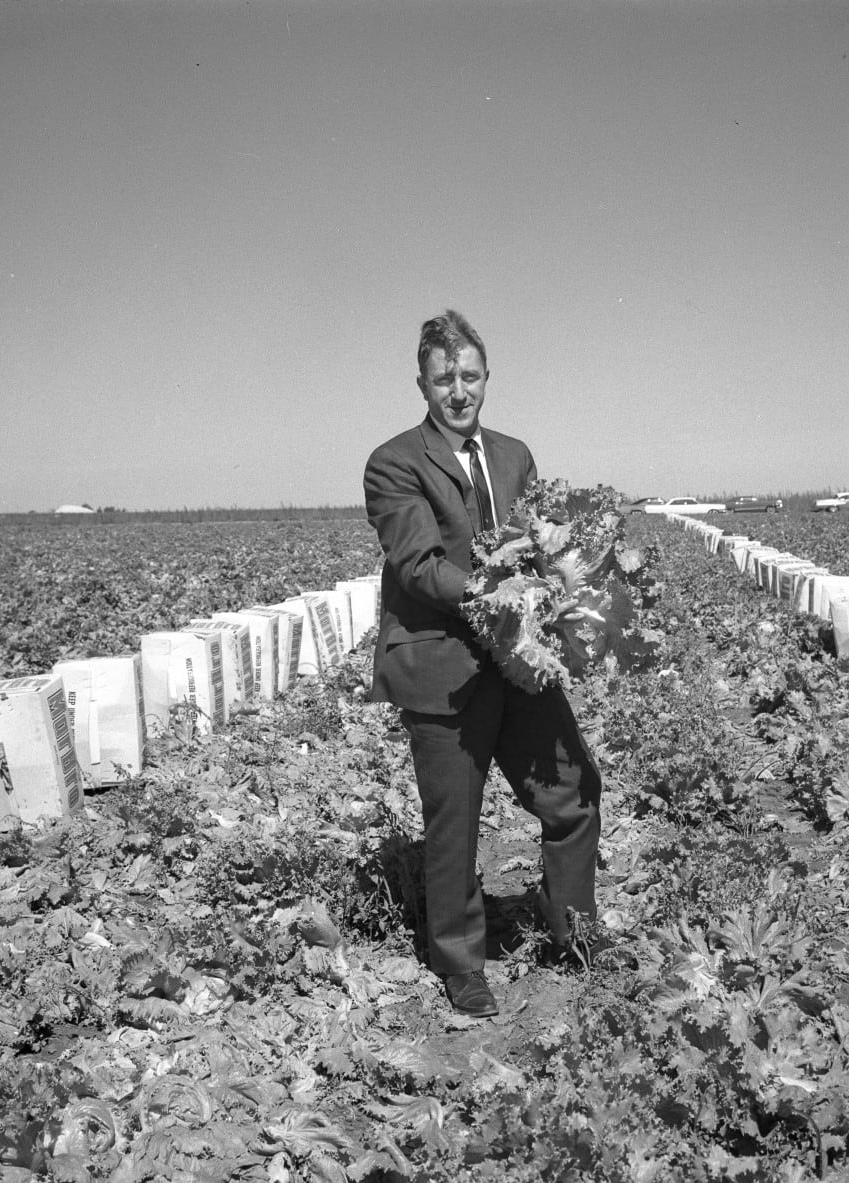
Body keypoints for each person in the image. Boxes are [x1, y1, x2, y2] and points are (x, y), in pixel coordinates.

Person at [362, 309, 602, 1018]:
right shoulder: (394, 462)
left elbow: (541, 539)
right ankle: (461, 963)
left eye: (469, 376)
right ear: (423, 384)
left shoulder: (514, 455)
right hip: (443, 663)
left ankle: (572, 930)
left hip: (516, 660)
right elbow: (415, 562)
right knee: (455, 823)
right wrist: (488, 593)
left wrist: (565, 586)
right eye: (444, 380)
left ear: (487, 377)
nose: (458, 391)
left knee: (574, 787)